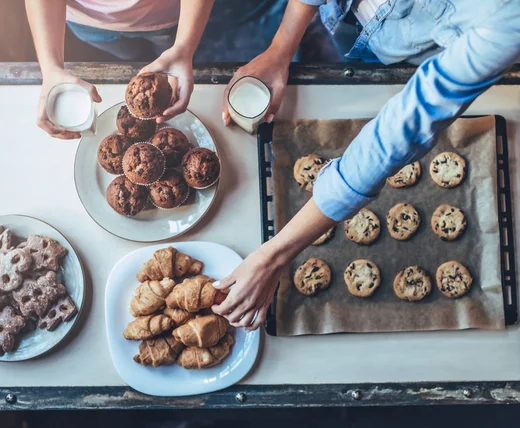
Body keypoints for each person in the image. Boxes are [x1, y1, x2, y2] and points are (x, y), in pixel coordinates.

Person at [214, 0, 520, 331]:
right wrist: (280, 49)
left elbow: (402, 128)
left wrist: (274, 255)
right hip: (351, 25)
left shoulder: (506, 18)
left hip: (408, 48)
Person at [25, 0, 215, 139]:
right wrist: (50, 68)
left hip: (167, 15)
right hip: (89, 22)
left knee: (162, 51)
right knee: (128, 55)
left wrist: (184, 47)